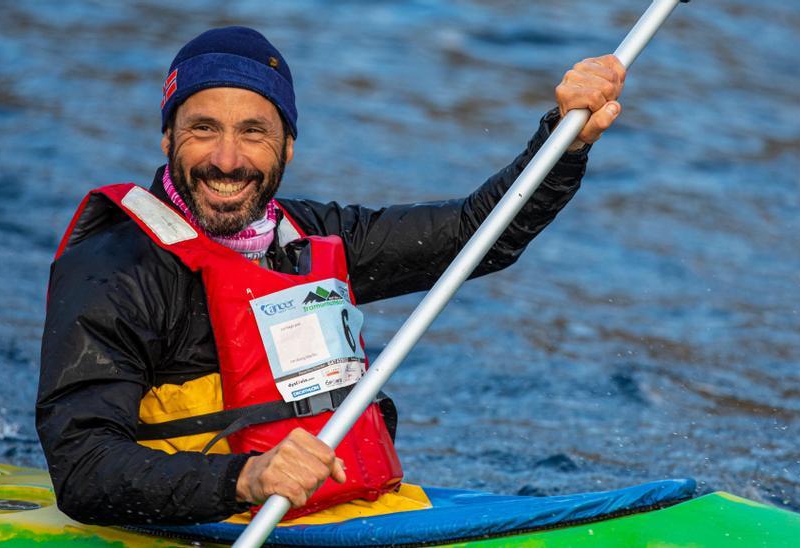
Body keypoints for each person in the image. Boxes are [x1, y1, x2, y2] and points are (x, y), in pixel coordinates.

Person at [36, 25, 626, 525]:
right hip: (203, 521)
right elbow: (84, 466)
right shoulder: (113, 270)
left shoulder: (311, 236)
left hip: (334, 511)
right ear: (167, 137)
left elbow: (477, 236)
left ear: (288, 146)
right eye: (203, 128)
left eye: (253, 131)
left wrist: (566, 138)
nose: (226, 158)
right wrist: (247, 478)